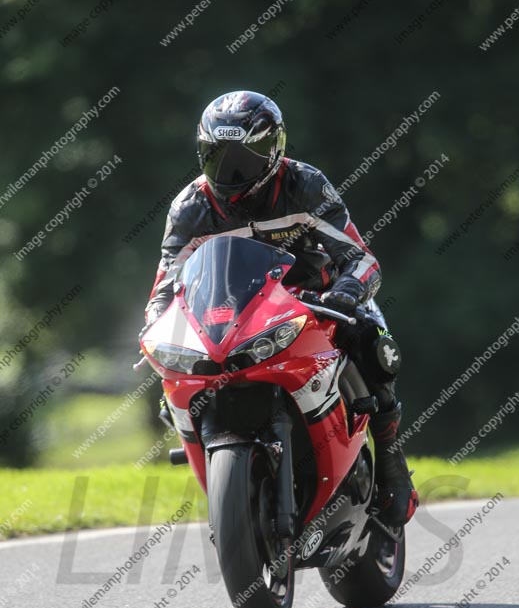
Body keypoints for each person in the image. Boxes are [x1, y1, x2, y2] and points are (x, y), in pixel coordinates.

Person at [142, 90, 418, 526]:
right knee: (172, 378)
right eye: (217, 156)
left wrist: (345, 295)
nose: (231, 171)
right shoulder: (191, 206)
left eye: (244, 158)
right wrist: (157, 324)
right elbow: (165, 282)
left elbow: (361, 258)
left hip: (318, 301)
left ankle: (390, 461)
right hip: (235, 318)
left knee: (375, 347)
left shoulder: (304, 184)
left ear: (274, 150)